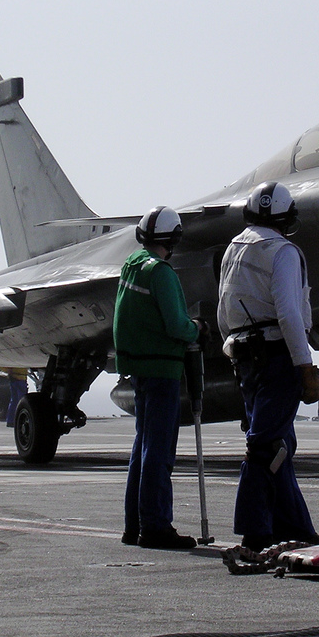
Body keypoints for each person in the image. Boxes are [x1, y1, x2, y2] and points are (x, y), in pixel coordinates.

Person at [217, 181, 319, 553]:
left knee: (281, 445)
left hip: (245, 355)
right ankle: (254, 532)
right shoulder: (283, 252)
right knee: (265, 446)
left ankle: (296, 528)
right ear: (286, 218)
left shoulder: (235, 247)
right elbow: (290, 314)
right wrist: (305, 367)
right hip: (276, 355)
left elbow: (223, 307)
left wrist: (231, 352)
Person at [113, 205, 202, 550]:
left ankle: (133, 525)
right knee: (159, 451)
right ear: (174, 238)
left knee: (142, 448)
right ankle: (155, 526)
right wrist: (198, 328)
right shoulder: (161, 273)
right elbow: (177, 325)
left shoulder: (131, 266)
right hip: (163, 370)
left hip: (139, 372)